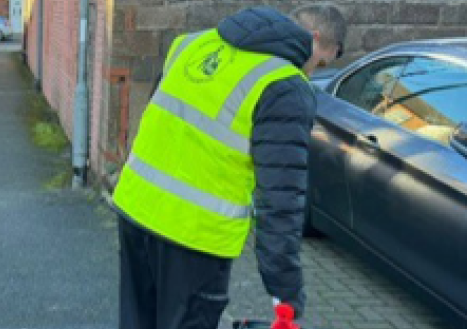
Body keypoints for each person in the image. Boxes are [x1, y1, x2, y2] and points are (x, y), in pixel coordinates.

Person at [111, 4, 346, 329]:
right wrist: (285, 291)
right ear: (314, 38)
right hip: (196, 238)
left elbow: (162, 121)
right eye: (320, 62)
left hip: (135, 209)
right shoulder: (285, 85)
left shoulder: (193, 43)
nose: (311, 73)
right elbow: (280, 198)